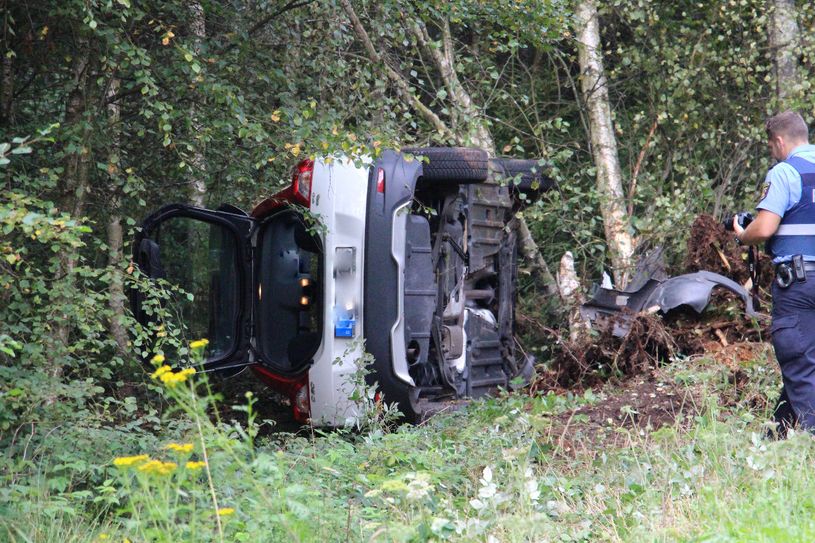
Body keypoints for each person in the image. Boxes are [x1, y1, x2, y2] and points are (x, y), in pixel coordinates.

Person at [734, 110, 815, 436]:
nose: (773, 152)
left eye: (771, 146)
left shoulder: (785, 172)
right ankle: (777, 439)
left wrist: (743, 234)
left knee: (799, 359)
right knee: (806, 362)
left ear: (779, 141)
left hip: (800, 281)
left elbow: (764, 228)